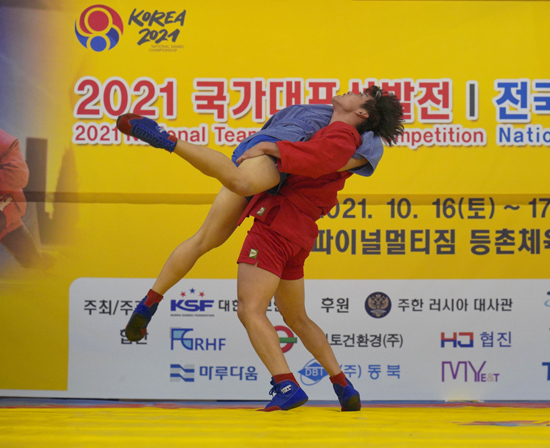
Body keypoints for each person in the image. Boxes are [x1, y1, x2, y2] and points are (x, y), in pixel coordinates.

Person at [117, 86, 405, 412]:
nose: (349, 89)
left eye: (359, 92)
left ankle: (150, 301)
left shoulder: (347, 133)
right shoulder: (338, 124)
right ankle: (341, 385)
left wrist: (273, 147)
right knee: (296, 316)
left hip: (277, 187)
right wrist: (271, 147)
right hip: (288, 206)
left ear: (364, 113)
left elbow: (321, 160)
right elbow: (322, 160)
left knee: (216, 249)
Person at [0, 129, 51, 270]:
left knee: (34, 262)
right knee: (33, 262)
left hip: (6, 208)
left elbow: (18, 175)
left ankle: (45, 268)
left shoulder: (6, 143)